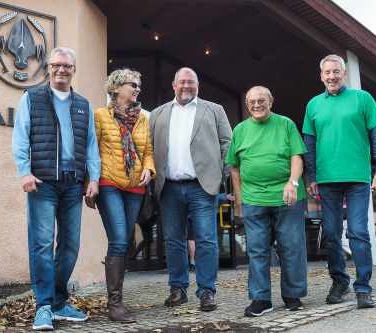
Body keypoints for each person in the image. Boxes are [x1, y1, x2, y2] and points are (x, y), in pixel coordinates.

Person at [12, 47, 100, 330]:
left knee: (70, 246)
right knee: (41, 245)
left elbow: (90, 146)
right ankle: (44, 306)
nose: (61, 70)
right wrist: (24, 172)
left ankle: (59, 302)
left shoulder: (83, 104)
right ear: (48, 68)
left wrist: (93, 178)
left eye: (67, 66)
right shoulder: (32, 97)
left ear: (74, 70)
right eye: (56, 65)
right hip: (43, 182)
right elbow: (21, 137)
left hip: (73, 183)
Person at [303, 54, 376, 309]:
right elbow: (309, 144)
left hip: (357, 178)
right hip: (327, 180)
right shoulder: (313, 105)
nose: (331, 76)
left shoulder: (362, 98)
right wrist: (311, 176)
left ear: (344, 74)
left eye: (336, 72)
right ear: (321, 76)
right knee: (330, 234)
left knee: (358, 232)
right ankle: (339, 281)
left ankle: (363, 288)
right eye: (327, 72)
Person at [149, 67, 232, 311]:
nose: (186, 86)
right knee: (173, 240)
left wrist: (221, 175)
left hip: (202, 186)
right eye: (182, 82)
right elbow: (149, 147)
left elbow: (227, 143)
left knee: (206, 240)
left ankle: (207, 291)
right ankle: (178, 289)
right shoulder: (158, 114)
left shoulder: (214, 110)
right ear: (173, 85)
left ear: (198, 85)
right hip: (169, 188)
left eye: (191, 82)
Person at [226, 86, 308, 317]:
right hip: (254, 199)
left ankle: (292, 294)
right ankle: (261, 299)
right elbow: (234, 167)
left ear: (271, 102)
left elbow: (297, 157)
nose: (256, 104)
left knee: (291, 247)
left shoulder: (285, 124)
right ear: (247, 104)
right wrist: (240, 199)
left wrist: (292, 183)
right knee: (257, 250)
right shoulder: (240, 130)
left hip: (287, 197)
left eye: (261, 100)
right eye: (252, 101)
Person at [91, 68, 155, 323]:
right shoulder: (100, 116)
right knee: (118, 239)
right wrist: (91, 182)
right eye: (132, 85)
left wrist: (149, 169)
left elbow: (148, 150)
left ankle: (117, 299)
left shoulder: (143, 118)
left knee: (124, 240)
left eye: (139, 85)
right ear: (116, 88)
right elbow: (91, 151)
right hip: (109, 184)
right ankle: (114, 304)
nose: (137, 89)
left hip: (135, 188)